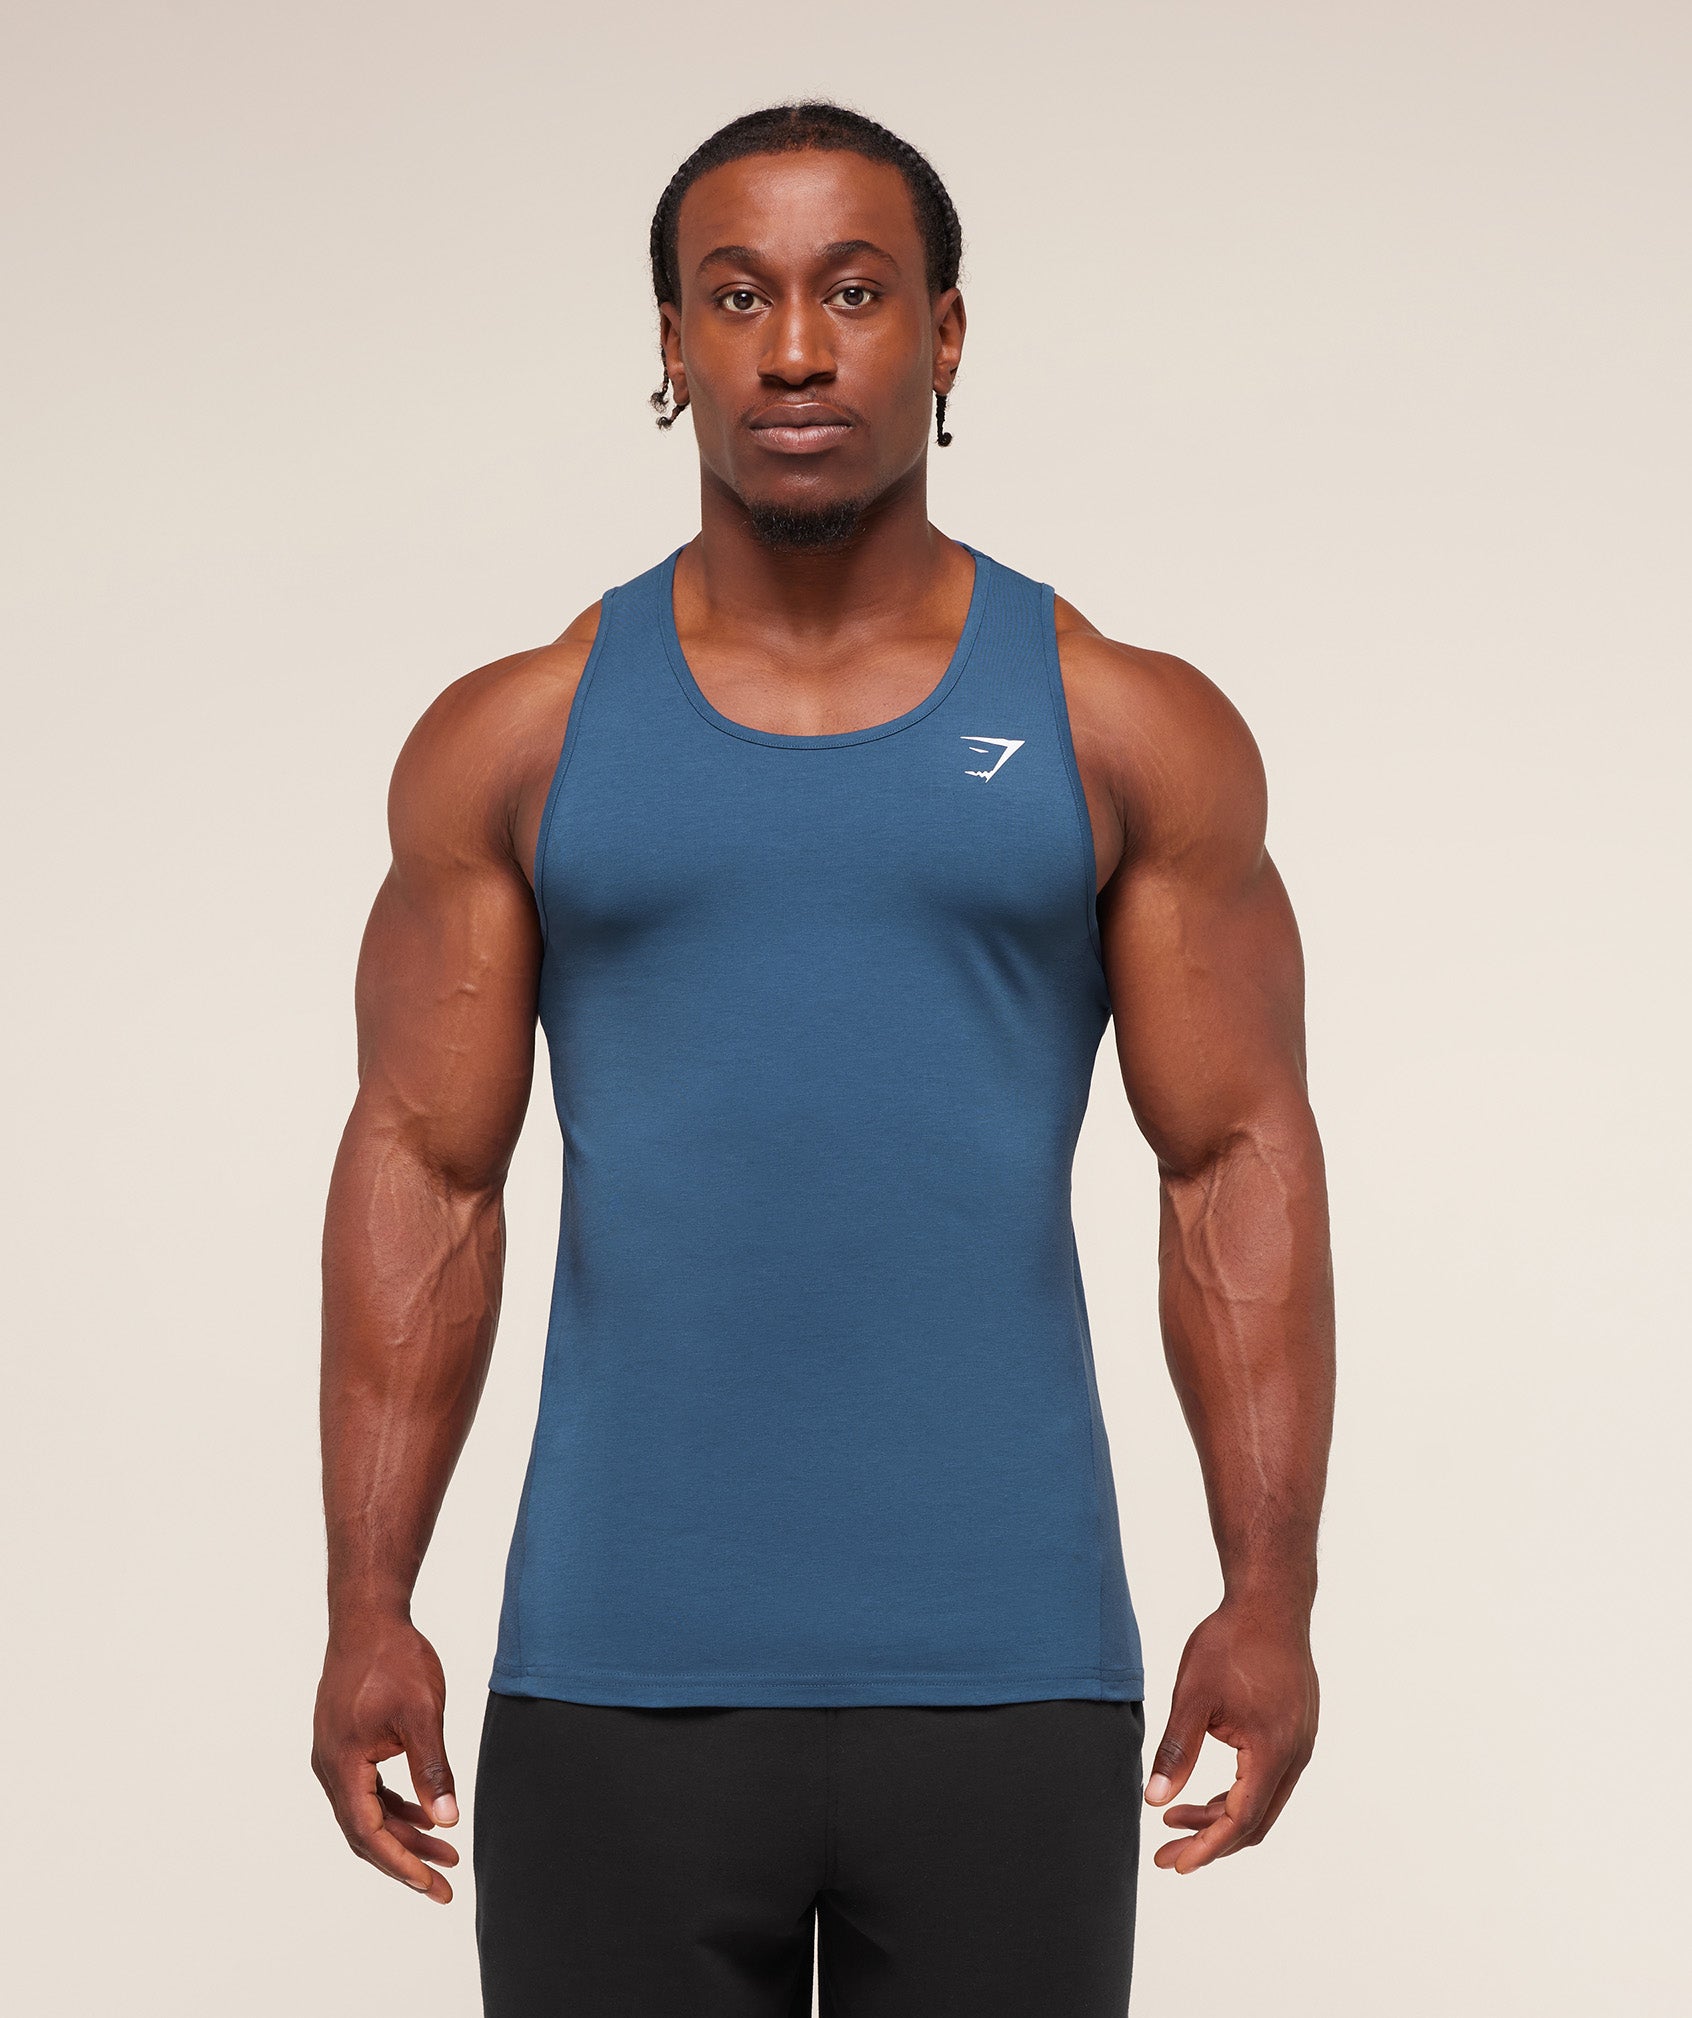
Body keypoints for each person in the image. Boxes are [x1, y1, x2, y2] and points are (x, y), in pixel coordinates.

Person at [311, 100, 1335, 2018]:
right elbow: (427, 1176)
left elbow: (1234, 1163)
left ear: (943, 337)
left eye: (855, 293)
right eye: (739, 295)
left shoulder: (1122, 726)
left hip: (1010, 1681)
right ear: (672, 343)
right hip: (611, 1679)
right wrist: (370, 1601)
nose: (796, 346)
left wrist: (1268, 1590)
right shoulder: (518, 738)